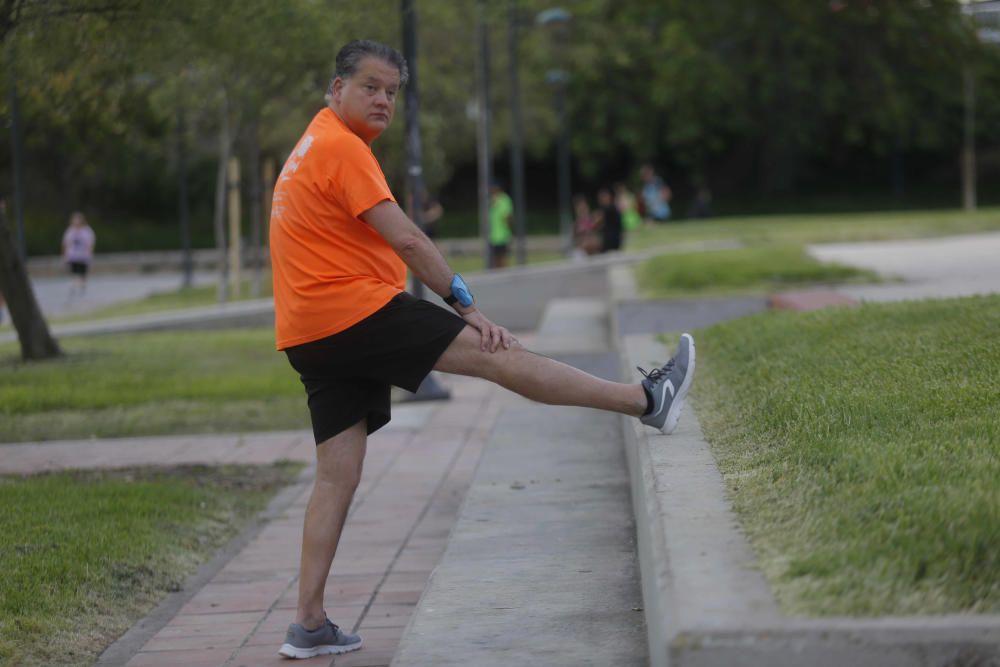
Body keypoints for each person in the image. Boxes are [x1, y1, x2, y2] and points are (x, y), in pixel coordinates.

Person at [269, 39, 695, 660]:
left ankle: (307, 623)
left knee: (336, 477)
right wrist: (468, 308)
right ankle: (646, 399)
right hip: (354, 312)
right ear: (337, 89)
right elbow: (410, 241)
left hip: (308, 334)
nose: (384, 99)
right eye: (370, 87)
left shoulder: (312, 142)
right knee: (499, 356)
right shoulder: (342, 146)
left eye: (392, 90)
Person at [61, 211, 96, 296]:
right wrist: (65, 255)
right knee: (74, 272)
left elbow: (90, 243)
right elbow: (66, 243)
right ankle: (75, 285)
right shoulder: (70, 231)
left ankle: (81, 286)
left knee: (82, 272)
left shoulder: (86, 231)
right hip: (73, 256)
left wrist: (89, 253)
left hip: (83, 255)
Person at [488, 181, 513, 269]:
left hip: (502, 234)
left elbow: (507, 216)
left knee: (502, 257)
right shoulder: (492, 200)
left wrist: (509, 228)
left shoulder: (504, 199)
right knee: (496, 258)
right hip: (493, 235)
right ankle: (498, 272)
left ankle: (503, 274)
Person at [595, 187, 624, 253]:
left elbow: (596, 222)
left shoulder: (608, 209)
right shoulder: (613, 208)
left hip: (610, 242)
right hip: (615, 241)